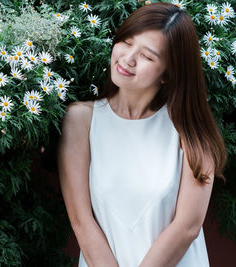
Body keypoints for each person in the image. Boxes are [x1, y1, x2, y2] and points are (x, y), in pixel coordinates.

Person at [57, 2, 227, 267]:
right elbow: (82, 221)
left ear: (168, 74)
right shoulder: (82, 119)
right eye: (126, 42)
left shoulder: (190, 129)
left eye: (147, 56)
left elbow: (187, 227)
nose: (128, 59)